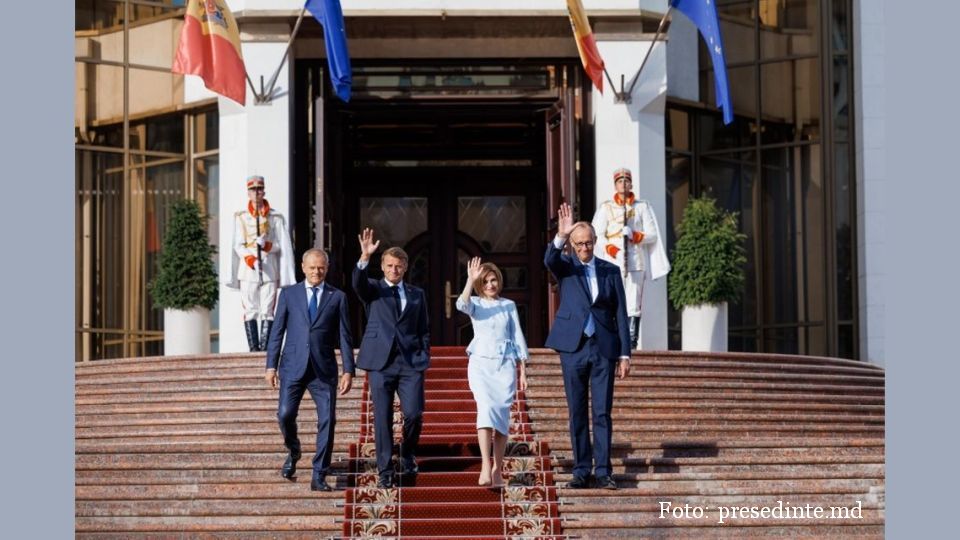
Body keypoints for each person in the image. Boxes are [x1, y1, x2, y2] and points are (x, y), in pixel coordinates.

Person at [544, 202, 631, 491]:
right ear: (572, 244)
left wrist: (624, 353)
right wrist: (561, 234)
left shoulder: (610, 270)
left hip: (604, 348)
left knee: (603, 412)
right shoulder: (565, 266)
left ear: (595, 242)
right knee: (577, 411)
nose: (584, 247)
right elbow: (549, 259)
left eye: (588, 243)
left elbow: (620, 312)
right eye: (579, 243)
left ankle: (604, 471)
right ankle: (582, 470)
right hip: (573, 348)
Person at [264, 248, 355, 492]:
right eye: (312, 267)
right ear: (303, 267)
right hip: (292, 365)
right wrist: (271, 365)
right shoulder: (288, 294)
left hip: (323, 370)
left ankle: (319, 473)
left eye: (321, 267)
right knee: (284, 415)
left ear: (327, 268)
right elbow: (277, 332)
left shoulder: (338, 297)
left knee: (328, 420)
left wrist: (348, 370)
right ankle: (294, 451)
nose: (316, 271)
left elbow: (345, 336)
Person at [353, 228, 430, 489]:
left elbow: (423, 328)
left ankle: (407, 453)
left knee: (414, 413)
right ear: (383, 267)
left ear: (405, 267)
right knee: (382, 417)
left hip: (410, 362)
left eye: (398, 266)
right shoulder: (373, 289)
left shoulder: (417, 294)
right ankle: (385, 470)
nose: (394, 270)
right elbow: (358, 284)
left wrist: (423, 354)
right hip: (380, 362)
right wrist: (364, 257)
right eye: (389, 266)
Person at [456, 257, 528, 488]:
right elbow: (461, 305)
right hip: (481, 365)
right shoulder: (475, 303)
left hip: (505, 365)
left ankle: (498, 467)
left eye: (493, 279)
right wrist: (470, 280)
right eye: (485, 281)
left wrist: (523, 370)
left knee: (502, 418)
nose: (490, 284)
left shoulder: (508, 305)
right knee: (486, 410)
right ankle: (485, 465)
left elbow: (517, 336)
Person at [591, 168, 670, 349]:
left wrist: (635, 235)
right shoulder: (606, 207)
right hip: (613, 261)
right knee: (612, 300)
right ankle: (613, 339)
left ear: (631, 184)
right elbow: (597, 234)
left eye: (626, 181)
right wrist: (611, 248)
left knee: (633, 303)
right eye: (620, 181)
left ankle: (631, 342)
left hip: (635, 262)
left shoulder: (642, 207)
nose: (623, 184)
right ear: (615, 184)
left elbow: (652, 235)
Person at [227, 175, 295, 352]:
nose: (256, 193)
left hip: (269, 269)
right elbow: (237, 245)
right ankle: (253, 349)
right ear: (248, 193)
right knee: (250, 309)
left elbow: (282, 245)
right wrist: (251, 259)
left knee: (267, 309)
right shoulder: (241, 217)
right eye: (252, 189)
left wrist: (266, 245)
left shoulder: (275, 217)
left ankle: (265, 349)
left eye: (259, 189)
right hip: (248, 270)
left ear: (263, 191)